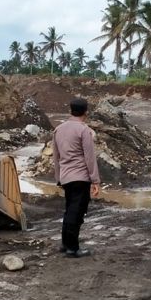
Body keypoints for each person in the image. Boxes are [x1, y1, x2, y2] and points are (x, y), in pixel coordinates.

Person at [52, 98, 101, 258]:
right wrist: (95, 180)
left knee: (69, 210)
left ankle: (66, 244)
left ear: (70, 110)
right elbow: (90, 157)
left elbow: (56, 157)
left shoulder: (58, 129)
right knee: (76, 212)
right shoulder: (83, 130)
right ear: (86, 112)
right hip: (80, 176)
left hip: (66, 176)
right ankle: (73, 248)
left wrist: (58, 177)